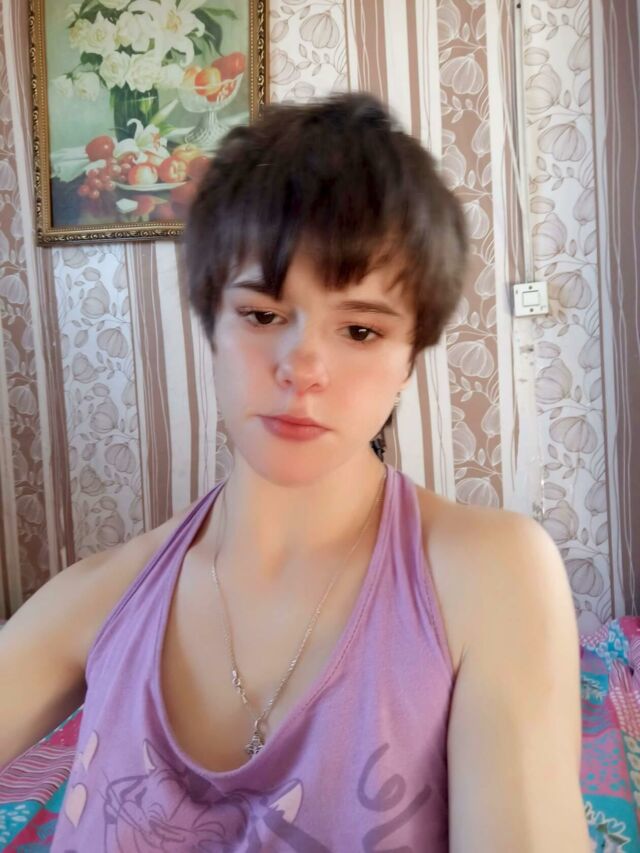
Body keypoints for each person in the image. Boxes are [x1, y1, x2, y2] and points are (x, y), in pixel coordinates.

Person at [0, 92, 589, 851]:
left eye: (360, 330)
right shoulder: (99, 596)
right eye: (263, 315)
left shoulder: (491, 575)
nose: (303, 367)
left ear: (409, 359)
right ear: (212, 324)